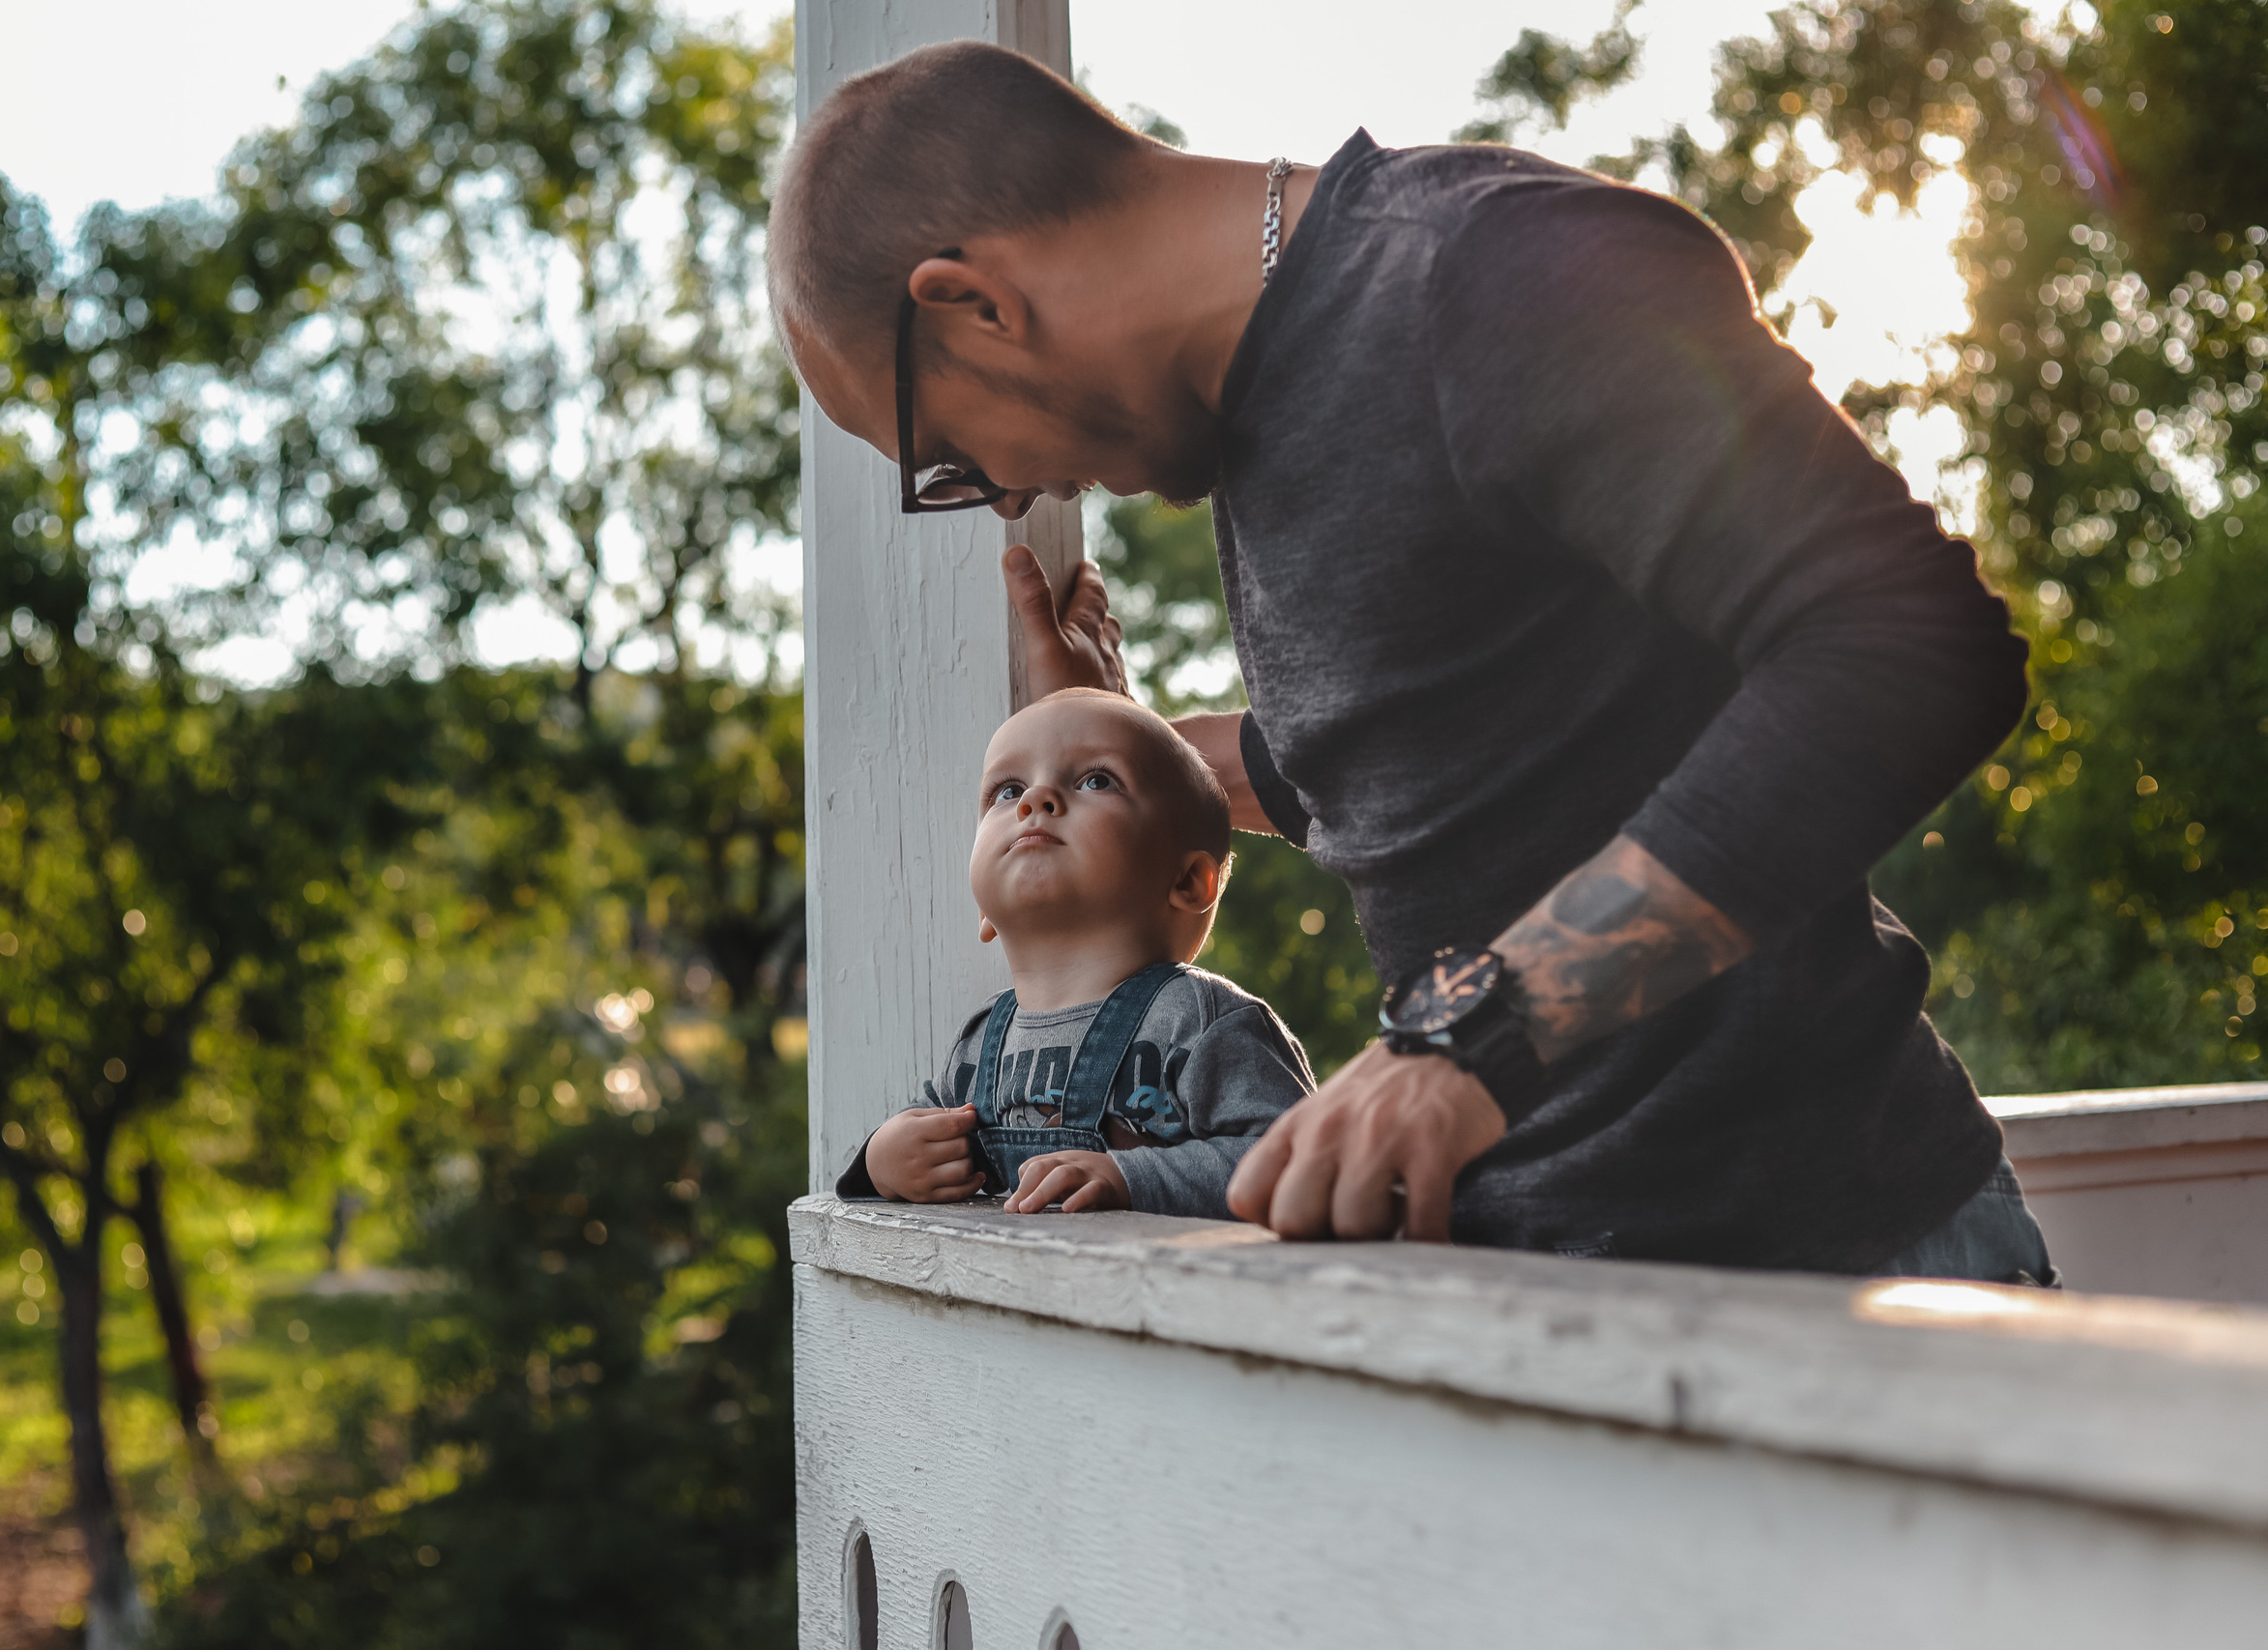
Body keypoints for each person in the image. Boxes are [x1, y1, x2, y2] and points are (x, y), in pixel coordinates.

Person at [774, 42, 2054, 1283]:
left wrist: (1479, 1037)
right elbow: (1422, 773)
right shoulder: (1260, 429)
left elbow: (1906, 638)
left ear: (972, 304)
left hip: (1842, 1260)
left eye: (948, 453)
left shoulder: (1485, 271)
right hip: (1545, 1284)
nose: (1004, 498)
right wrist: (1102, 742)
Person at [838, 688, 1315, 1218]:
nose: (1034, 799)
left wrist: (1129, 1177)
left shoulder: (1204, 1023)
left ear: (1188, 880)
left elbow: (1295, 1159)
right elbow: (921, 1136)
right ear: (986, 911)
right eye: (1007, 789)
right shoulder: (978, 1046)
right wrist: (882, 1160)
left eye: (1096, 780)